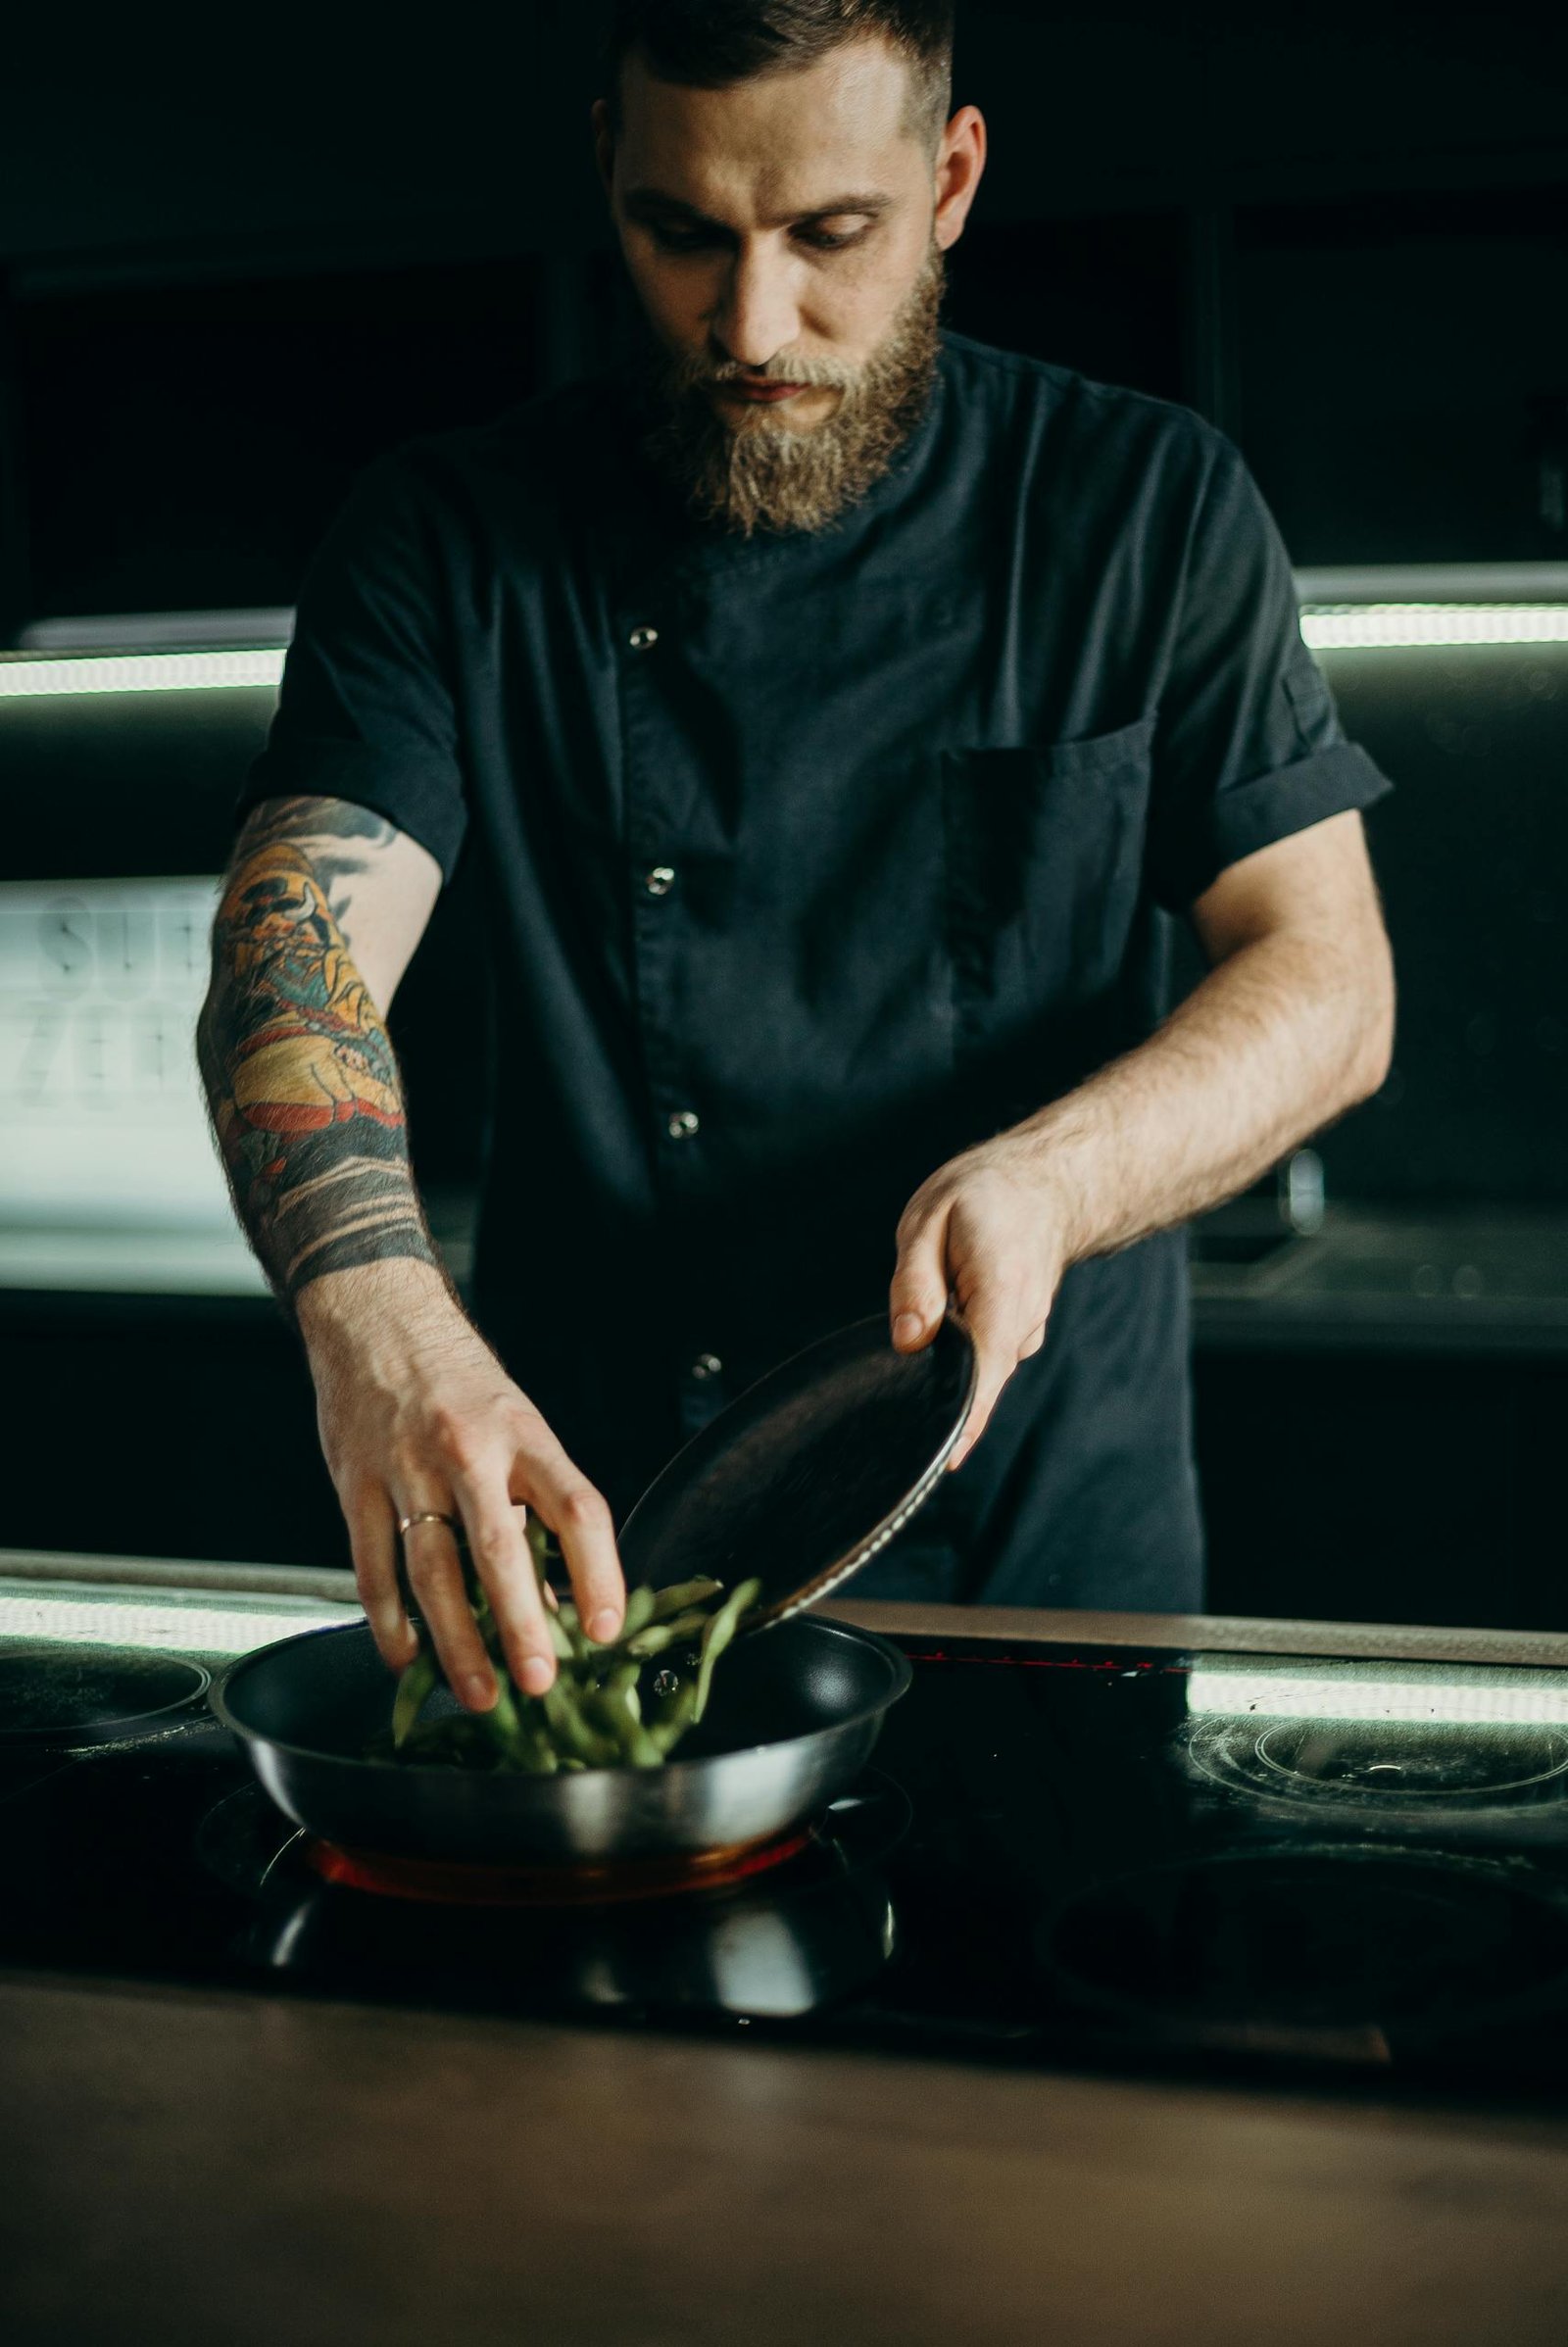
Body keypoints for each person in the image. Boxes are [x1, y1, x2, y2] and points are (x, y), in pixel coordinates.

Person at [198, 0, 1395, 1714]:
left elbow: (1330, 981)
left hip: (1048, 1574)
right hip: (594, 1562)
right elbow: (289, 942)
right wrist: (373, 1315)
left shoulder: (1144, 510)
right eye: (681, 232)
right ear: (608, 166)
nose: (752, 323)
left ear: (951, 179)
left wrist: (1057, 1178)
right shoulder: (445, 540)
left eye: (831, 234)